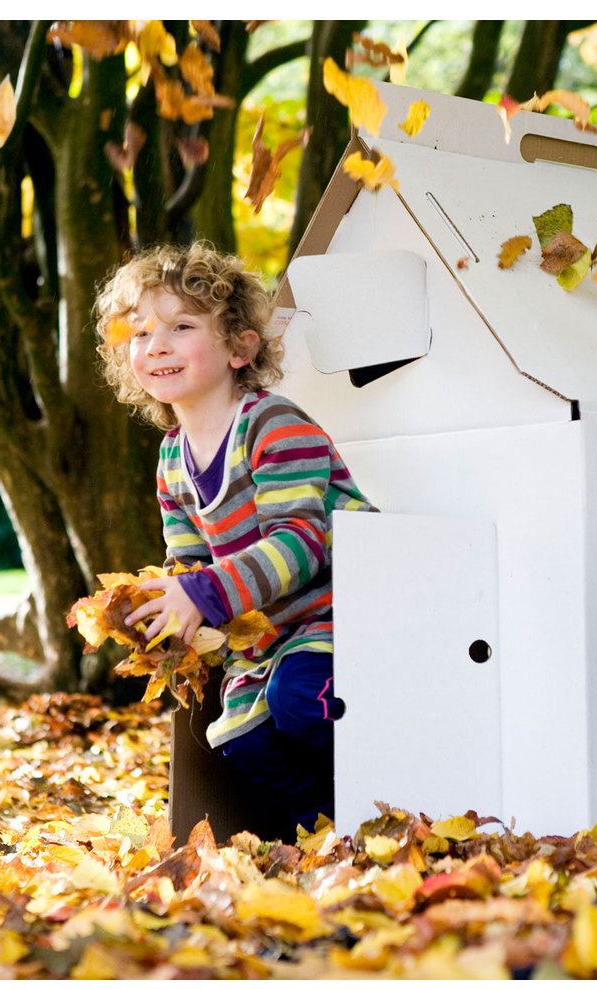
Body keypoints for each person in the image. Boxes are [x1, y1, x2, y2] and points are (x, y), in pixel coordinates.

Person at [95, 241, 376, 840]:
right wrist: (165, 613)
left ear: (239, 346)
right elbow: (189, 560)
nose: (158, 345)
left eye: (182, 326)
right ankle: (330, 833)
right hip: (265, 631)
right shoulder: (172, 456)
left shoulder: (272, 425)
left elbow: (302, 542)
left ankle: (390, 794)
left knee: (302, 700)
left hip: (341, 613)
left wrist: (203, 595)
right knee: (238, 739)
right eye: (140, 334)